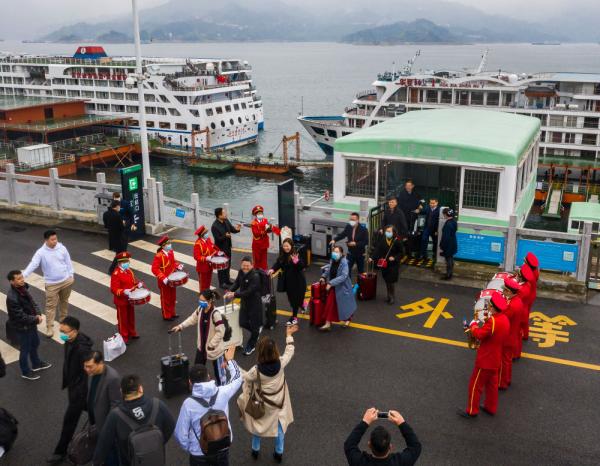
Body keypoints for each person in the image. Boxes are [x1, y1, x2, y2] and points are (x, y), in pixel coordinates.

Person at [237, 325, 298, 463]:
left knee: (257, 426)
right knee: (280, 429)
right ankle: (278, 453)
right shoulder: (281, 363)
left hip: (262, 404)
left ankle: (255, 450)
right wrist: (289, 335)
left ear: (261, 352)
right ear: (275, 351)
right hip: (279, 403)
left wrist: (231, 363)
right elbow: (290, 351)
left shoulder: (256, 371)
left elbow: (245, 377)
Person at [175, 352, 243, 466]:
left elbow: (180, 435)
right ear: (209, 377)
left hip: (199, 454)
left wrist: (192, 448)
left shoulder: (188, 404)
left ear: (190, 382)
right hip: (222, 448)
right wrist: (230, 361)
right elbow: (238, 377)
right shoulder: (223, 392)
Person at [93, 374, 175, 466]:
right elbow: (171, 426)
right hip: (156, 459)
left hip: (129, 461)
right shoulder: (158, 405)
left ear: (121, 391)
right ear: (140, 389)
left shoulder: (115, 415)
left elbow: (104, 443)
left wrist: (96, 462)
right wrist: (158, 443)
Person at [47, 316, 93, 464]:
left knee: (69, 422)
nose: (62, 334)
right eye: (61, 330)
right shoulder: (70, 340)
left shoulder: (81, 349)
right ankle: (102, 422)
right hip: (74, 386)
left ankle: (59, 453)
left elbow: (91, 366)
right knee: (91, 408)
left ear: (75, 331)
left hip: (78, 391)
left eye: (65, 332)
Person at [458, 291, 509, 418]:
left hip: (485, 360)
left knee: (475, 385)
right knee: (492, 386)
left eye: (490, 306)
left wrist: (473, 325)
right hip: (496, 358)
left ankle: (472, 411)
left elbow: (479, 334)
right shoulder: (504, 319)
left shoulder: (492, 321)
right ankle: (490, 407)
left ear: (494, 308)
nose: (488, 308)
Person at [22, 229, 74, 337]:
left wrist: (71, 275)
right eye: (52, 239)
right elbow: (33, 264)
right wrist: (24, 275)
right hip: (51, 284)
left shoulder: (62, 248)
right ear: (46, 240)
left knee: (64, 302)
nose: (55, 241)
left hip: (66, 281)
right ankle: (49, 327)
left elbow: (68, 261)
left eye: (56, 238)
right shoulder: (41, 252)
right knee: (51, 306)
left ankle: (63, 323)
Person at [171, 289, 228, 385]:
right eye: (200, 300)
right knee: (197, 370)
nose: (200, 302)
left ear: (210, 301)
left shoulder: (216, 314)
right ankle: (198, 386)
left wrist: (211, 344)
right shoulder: (200, 309)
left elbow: (221, 332)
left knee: (219, 373)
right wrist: (180, 326)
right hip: (201, 346)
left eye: (203, 301)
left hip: (214, 349)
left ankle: (222, 388)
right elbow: (192, 319)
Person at [6, 270, 51, 380]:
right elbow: (19, 316)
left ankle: (36, 364)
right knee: (25, 350)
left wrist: (38, 313)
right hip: (23, 327)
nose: (22, 280)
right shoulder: (12, 297)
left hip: (30, 323)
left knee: (35, 343)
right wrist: (36, 319)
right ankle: (25, 372)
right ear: (12, 281)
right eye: (19, 279)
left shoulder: (23, 288)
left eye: (22, 277)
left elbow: (32, 302)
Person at [344, 408, 422, 466]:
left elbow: (349, 445)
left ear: (369, 445)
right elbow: (415, 446)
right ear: (390, 447)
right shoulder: (400, 462)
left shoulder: (359, 462)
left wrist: (365, 422)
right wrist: (401, 422)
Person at [224, 257, 262, 355]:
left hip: (254, 304)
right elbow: (237, 283)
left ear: (252, 265)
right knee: (242, 322)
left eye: (247, 266)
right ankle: (256, 332)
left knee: (254, 326)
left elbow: (249, 292)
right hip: (244, 302)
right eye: (243, 265)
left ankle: (251, 345)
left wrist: (234, 295)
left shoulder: (255, 276)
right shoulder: (241, 271)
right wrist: (230, 290)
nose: (245, 267)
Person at [268, 238, 307, 326]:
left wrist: (296, 261)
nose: (286, 248)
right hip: (288, 282)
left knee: (295, 300)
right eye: (284, 246)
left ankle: (294, 317)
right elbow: (278, 263)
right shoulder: (282, 255)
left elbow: (302, 266)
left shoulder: (295, 254)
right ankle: (303, 305)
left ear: (291, 246)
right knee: (292, 299)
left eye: (287, 246)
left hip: (298, 282)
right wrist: (272, 269)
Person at [83, 351, 121, 440]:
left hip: (103, 425)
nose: (86, 369)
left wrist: (107, 427)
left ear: (100, 363)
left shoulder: (112, 378)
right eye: (85, 366)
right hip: (94, 419)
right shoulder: (95, 372)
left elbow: (115, 405)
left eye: (89, 366)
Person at [318, 246, 357, 331]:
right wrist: (323, 277)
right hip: (334, 287)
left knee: (345, 305)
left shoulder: (344, 263)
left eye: (337, 252)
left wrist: (331, 283)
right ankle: (328, 323)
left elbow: (344, 276)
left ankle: (347, 319)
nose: (334, 253)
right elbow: (329, 269)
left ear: (341, 253)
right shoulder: (332, 260)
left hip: (342, 287)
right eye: (334, 252)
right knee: (330, 304)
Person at [110, 252, 143, 344]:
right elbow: (113, 289)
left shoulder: (129, 271)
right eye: (124, 262)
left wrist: (138, 284)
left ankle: (132, 332)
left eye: (127, 261)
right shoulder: (116, 274)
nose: (127, 263)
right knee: (122, 319)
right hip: (121, 300)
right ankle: (124, 336)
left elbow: (133, 281)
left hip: (130, 299)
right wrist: (123, 291)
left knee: (131, 317)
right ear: (120, 263)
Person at [499, 277, 524, 391]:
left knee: (503, 361)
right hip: (513, 335)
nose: (503, 292)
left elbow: (503, 318)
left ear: (509, 292)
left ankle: (502, 382)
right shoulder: (517, 301)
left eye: (504, 290)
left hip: (507, 337)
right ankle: (507, 379)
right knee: (507, 360)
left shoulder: (511, 306)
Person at [151, 235, 183, 321]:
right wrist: (163, 278)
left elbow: (173, 262)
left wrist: (177, 265)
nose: (170, 245)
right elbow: (154, 269)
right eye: (168, 244)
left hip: (172, 279)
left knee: (173, 297)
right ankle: (167, 315)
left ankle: (172, 313)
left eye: (170, 243)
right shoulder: (159, 256)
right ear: (163, 246)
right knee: (166, 299)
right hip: (164, 281)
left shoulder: (170, 252)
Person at [370, 226, 403, 305]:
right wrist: (372, 257)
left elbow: (401, 253)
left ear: (393, 233)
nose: (387, 233)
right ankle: (389, 295)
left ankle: (391, 296)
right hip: (385, 264)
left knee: (391, 280)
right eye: (386, 231)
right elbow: (377, 249)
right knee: (387, 280)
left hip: (393, 264)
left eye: (389, 231)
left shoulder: (397, 241)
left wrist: (394, 257)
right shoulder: (383, 240)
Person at [331, 212, 369, 280]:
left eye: (353, 220)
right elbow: (342, 234)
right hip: (350, 252)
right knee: (347, 270)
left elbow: (366, 242)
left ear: (358, 220)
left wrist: (356, 244)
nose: (351, 221)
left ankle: (360, 287)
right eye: (350, 219)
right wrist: (334, 240)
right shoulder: (348, 226)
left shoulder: (363, 230)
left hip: (360, 253)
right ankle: (348, 286)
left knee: (361, 271)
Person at [211, 207, 241, 289]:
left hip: (228, 247)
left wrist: (237, 229)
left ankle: (227, 280)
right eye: (224, 213)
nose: (226, 214)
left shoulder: (226, 221)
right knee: (221, 267)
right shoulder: (214, 226)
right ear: (219, 215)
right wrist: (225, 236)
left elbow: (232, 229)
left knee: (228, 265)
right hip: (220, 250)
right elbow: (218, 239)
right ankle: (222, 283)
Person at [515, 262, 535, 359]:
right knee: (519, 333)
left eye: (518, 275)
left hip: (519, 313)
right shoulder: (527, 285)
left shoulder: (521, 290)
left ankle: (515, 354)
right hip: (524, 310)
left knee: (516, 334)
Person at [250, 205, 278, 271]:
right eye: (259, 213)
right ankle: (256, 272)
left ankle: (264, 271)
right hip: (257, 244)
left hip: (264, 243)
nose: (260, 214)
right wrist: (265, 230)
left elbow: (269, 230)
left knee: (264, 258)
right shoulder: (253, 223)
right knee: (257, 259)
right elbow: (256, 233)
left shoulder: (265, 220)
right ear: (255, 215)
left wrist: (270, 227)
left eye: (261, 213)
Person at [194, 225, 221, 292]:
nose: (207, 234)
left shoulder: (208, 239)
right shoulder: (198, 244)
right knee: (203, 285)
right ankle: (203, 297)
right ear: (202, 235)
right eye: (206, 233)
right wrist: (206, 258)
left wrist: (218, 252)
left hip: (209, 265)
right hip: (202, 267)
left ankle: (207, 295)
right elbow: (196, 256)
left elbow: (212, 247)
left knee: (208, 282)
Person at [104, 200, 127, 275]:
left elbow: (106, 226)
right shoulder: (117, 215)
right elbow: (122, 228)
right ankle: (112, 269)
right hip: (120, 238)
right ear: (117, 206)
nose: (119, 208)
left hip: (112, 237)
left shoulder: (105, 214)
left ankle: (122, 267)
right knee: (120, 254)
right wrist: (123, 223)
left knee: (120, 253)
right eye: (119, 206)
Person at [439, 208, 458, 280]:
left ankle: (448, 275)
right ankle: (450, 273)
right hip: (453, 243)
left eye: (443, 214)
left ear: (445, 214)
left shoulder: (448, 224)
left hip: (448, 245)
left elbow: (445, 237)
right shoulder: (454, 222)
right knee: (451, 259)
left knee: (448, 260)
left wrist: (442, 245)